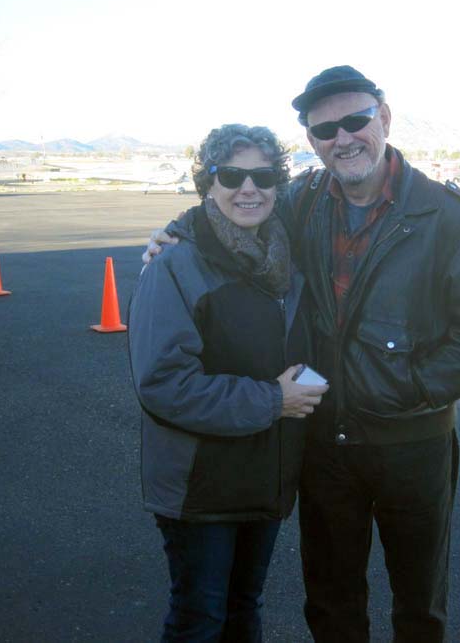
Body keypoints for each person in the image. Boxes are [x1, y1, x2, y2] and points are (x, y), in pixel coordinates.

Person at [144, 66, 460, 642]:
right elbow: (231, 212)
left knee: (419, 602)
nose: (342, 138)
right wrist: (174, 232)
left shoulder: (442, 214)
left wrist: (399, 392)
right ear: (313, 144)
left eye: (355, 120)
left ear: (384, 119)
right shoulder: (303, 201)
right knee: (332, 600)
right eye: (324, 131)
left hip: (411, 444)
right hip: (325, 448)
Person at [128, 123, 329, 642]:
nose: (249, 188)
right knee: (200, 618)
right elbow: (164, 384)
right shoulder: (175, 262)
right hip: (202, 485)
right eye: (232, 174)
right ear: (208, 182)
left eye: (263, 176)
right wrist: (273, 399)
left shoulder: (287, 258)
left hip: (264, 474)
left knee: (244, 608)